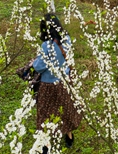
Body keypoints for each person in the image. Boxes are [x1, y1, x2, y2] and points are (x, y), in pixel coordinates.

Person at [33, 14, 82, 150]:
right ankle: (69, 136)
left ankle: (45, 144)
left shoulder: (46, 45)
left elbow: (39, 66)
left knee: (45, 114)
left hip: (48, 85)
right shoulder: (66, 40)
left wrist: (34, 62)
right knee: (66, 110)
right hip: (64, 82)